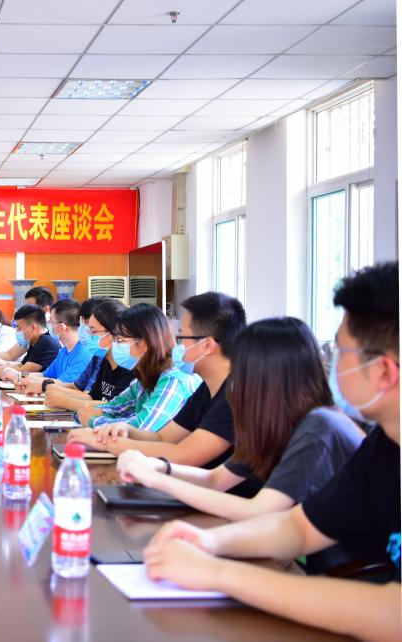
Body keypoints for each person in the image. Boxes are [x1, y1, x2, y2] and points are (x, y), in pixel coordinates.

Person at [142, 262, 399, 641]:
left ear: (383, 372)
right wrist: (210, 542)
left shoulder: (325, 426)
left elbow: (392, 611)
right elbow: (299, 527)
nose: (331, 360)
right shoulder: (384, 445)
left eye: (340, 350)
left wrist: (217, 573)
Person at [115, 317, 364, 545]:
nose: (235, 379)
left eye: (242, 369)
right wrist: (158, 467)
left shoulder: (319, 426)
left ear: (268, 375)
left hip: (324, 566)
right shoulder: (277, 422)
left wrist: (158, 479)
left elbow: (257, 510)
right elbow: (215, 480)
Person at [75, 292, 246, 471]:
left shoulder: (233, 396)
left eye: (182, 338)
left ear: (207, 346)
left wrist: (105, 439)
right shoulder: (206, 390)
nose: (177, 347)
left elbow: (183, 455)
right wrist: (122, 429)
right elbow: (163, 437)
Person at [70, 303, 196, 433]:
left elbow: (143, 427)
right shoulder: (144, 378)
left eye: (120, 341)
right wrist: (85, 413)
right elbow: (114, 408)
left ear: (144, 343)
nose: (115, 346)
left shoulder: (173, 380)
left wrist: (93, 420)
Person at [43, 298, 134, 411]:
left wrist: (65, 401)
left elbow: (113, 407)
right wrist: (55, 391)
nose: (87, 335)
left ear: (113, 333)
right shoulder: (105, 361)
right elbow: (92, 396)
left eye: (93, 331)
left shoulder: (130, 368)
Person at [6, 299, 91, 393]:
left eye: (51, 322)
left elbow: (62, 384)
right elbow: (44, 375)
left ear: (61, 327)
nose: (48, 325)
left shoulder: (83, 355)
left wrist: (22, 378)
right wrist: (19, 375)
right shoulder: (64, 351)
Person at [0, 304, 60, 380]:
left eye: (19, 328)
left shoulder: (46, 343)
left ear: (33, 327)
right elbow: (21, 365)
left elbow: (24, 371)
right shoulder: (35, 340)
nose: (18, 331)